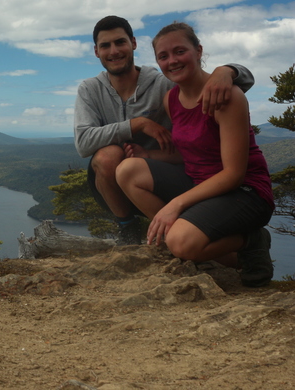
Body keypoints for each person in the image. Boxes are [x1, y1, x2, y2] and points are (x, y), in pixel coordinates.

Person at [115, 22, 274, 287]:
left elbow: (234, 174)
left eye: (180, 51)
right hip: (201, 185)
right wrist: (148, 156)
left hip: (245, 192)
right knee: (127, 170)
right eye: (163, 56)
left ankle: (252, 240)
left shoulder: (226, 96)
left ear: (198, 51)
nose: (172, 61)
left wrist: (174, 205)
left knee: (180, 242)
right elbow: (191, 153)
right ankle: (186, 239)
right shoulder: (172, 99)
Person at [74, 16, 254, 244]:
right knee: (107, 156)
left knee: (179, 243)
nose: (114, 51)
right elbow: (83, 143)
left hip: (166, 175)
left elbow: (227, 87)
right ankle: (128, 229)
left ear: (133, 43)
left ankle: (182, 237)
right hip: (115, 187)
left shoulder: (163, 85)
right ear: (96, 52)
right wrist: (137, 124)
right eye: (105, 45)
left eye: (120, 42)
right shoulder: (90, 90)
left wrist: (227, 71)